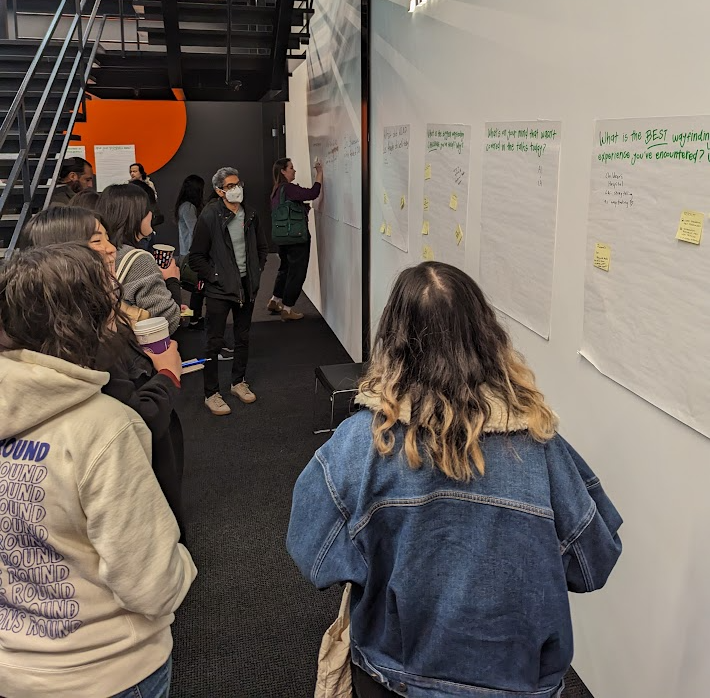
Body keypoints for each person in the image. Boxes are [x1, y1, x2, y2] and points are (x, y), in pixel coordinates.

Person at [287, 262, 623, 698]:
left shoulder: (361, 445)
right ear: (487, 337)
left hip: (394, 678)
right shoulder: (541, 446)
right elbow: (592, 560)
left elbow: (313, 550)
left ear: (393, 341)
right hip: (519, 684)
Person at [0, 244, 196, 698]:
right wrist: (183, 566)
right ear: (87, 321)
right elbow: (151, 586)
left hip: (15, 668)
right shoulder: (105, 429)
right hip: (111, 671)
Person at [19, 206, 186, 534]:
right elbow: (133, 422)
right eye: (98, 241)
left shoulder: (72, 319)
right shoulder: (81, 339)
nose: (111, 249)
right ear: (65, 252)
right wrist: (167, 374)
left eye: (108, 238)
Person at [189, 166, 268, 416]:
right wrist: (216, 277)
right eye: (231, 186)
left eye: (238, 184)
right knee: (213, 342)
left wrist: (256, 271)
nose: (237, 189)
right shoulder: (210, 216)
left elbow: (262, 248)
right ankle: (211, 394)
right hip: (219, 291)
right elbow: (196, 257)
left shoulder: (251, 214)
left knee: (243, 338)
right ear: (219, 190)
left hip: (247, 287)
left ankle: (238, 382)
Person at [99, 183, 181, 334]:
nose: (151, 214)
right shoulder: (139, 260)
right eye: (147, 209)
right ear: (135, 215)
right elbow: (167, 320)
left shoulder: (97, 252)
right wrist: (172, 280)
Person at [266, 157, 323, 321]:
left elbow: (287, 210)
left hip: (282, 238)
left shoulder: (277, 190)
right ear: (283, 171)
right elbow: (313, 193)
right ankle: (288, 308)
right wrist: (319, 174)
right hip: (297, 239)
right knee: (297, 272)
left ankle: (275, 300)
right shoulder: (289, 189)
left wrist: (302, 208)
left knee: (284, 268)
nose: (294, 170)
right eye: (291, 167)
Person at [175, 174, 206, 329]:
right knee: (198, 287)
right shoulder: (188, 207)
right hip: (191, 253)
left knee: (197, 287)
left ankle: (195, 317)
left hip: (186, 252)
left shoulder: (183, 206)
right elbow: (196, 230)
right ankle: (194, 319)